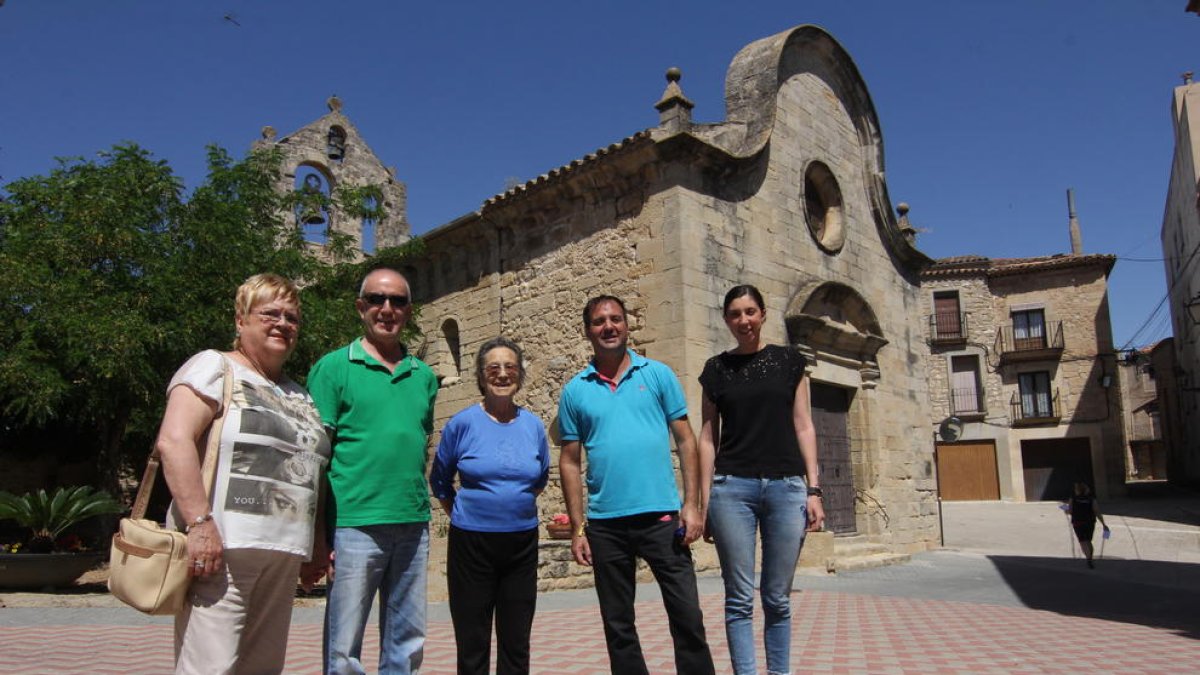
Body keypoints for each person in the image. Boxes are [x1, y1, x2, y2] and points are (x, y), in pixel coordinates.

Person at [158, 273, 330, 674]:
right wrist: (200, 523)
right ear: (241, 320)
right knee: (211, 666)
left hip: (284, 553)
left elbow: (312, 473)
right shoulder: (214, 367)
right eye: (270, 313)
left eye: (292, 317)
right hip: (222, 549)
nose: (283, 323)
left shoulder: (298, 393)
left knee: (263, 667)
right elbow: (175, 441)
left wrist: (316, 543)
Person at [558, 295, 715, 675]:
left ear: (627, 325)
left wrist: (691, 505)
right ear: (588, 331)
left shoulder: (657, 375)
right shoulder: (575, 390)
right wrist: (579, 527)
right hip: (606, 525)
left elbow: (686, 440)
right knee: (618, 625)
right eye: (599, 321)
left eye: (615, 319)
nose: (608, 326)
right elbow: (570, 461)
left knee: (687, 616)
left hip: (662, 519)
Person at [307, 268, 439, 675]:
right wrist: (317, 535)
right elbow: (313, 459)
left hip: (412, 524)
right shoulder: (332, 369)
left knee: (407, 642)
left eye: (397, 301)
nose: (387, 309)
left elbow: (421, 447)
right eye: (378, 299)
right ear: (360, 307)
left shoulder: (424, 377)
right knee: (344, 648)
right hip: (354, 526)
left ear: (409, 311)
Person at [698, 284, 826, 675]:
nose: (744, 320)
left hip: (787, 488)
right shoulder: (715, 369)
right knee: (738, 600)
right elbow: (707, 437)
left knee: (777, 598)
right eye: (735, 314)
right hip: (731, 489)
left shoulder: (790, 362)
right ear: (726, 319)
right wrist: (703, 501)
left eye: (751, 311)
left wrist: (813, 488)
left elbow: (804, 426)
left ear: (763, 314)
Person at [429, 337, 551, 675]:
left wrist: (513, 505)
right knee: (473, 640)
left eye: (509, 367)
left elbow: (539, 477)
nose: (501, 374)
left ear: (520, 375)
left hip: (521, 543)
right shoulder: (462, 423)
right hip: (472, 544)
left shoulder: (533, 425)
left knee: (516, 640)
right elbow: (440, 479)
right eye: (492, 368)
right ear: (481, 377)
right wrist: (463, 514)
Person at [1066, 481, 1109, 569]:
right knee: (1088, 540)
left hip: (1078, 522)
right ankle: (1090, 558)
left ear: (1077, 489)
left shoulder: (1073, 498)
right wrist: (1103, 524)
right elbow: (1096, 511)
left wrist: (1066, 511)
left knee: (1082, 541)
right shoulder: (1091, 498)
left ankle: (1088, 558)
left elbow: (1070, 511)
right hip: (1090, 522)